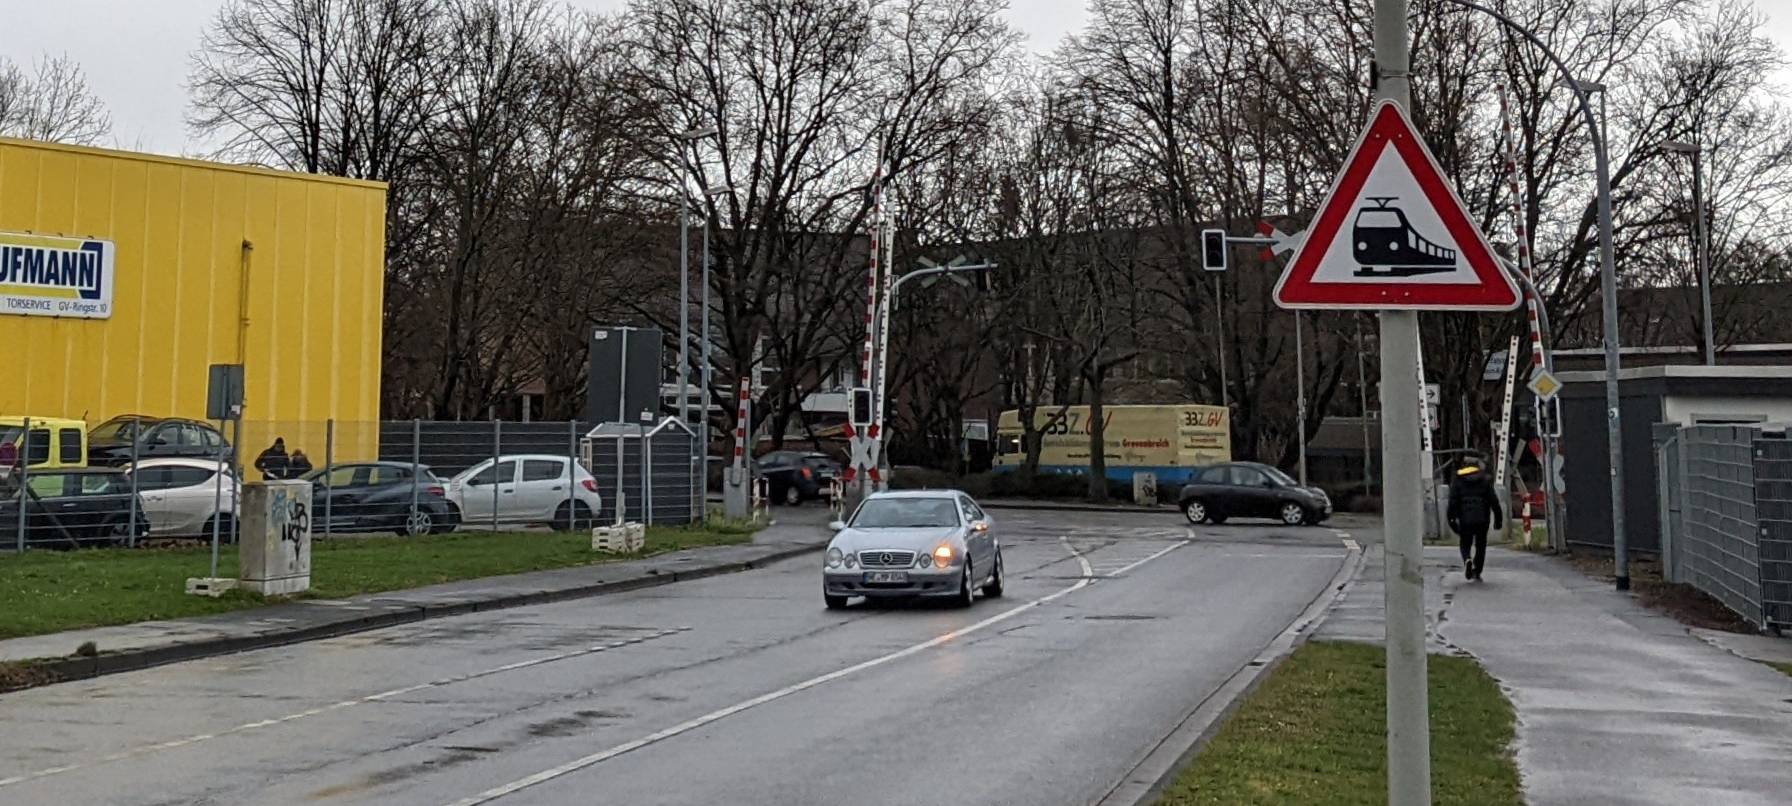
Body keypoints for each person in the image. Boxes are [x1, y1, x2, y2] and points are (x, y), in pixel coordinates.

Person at [1448, 461, 1503, 581]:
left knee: (1465, 543)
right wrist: (1498, 520)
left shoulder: (1458, 481)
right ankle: (1477, 570)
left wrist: (1451, 520)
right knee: (1481, 544)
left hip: (1465, 519)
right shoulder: (1485, 480)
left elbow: (1452, 502)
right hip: (1482, 519)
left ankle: (1467, 559)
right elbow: (1494, 501)